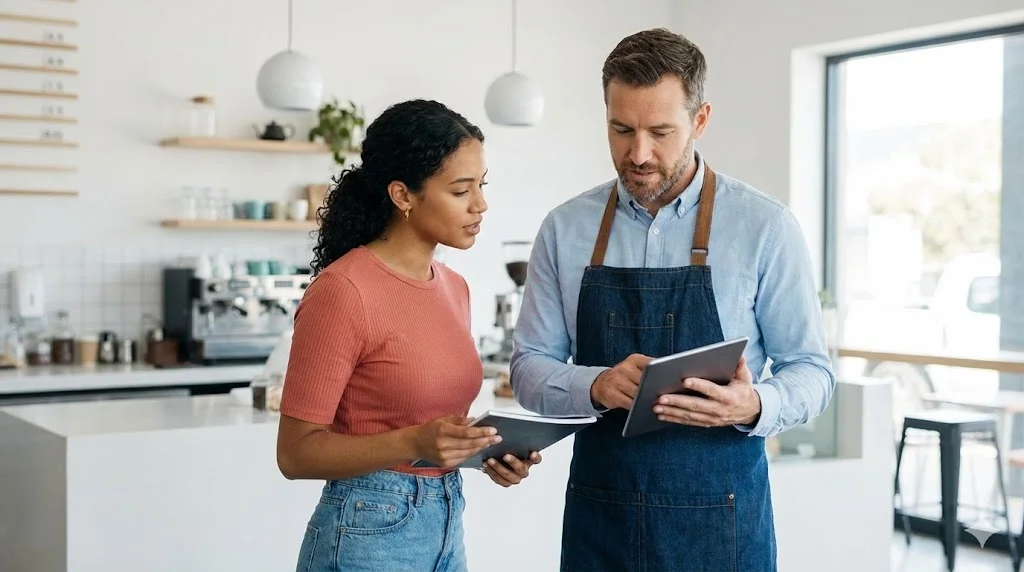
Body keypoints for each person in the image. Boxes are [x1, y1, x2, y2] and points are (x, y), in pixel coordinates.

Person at [510, 28, 836, 571]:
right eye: (621, 130)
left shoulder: (765, 227)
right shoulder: (565, 229)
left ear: (700, 120)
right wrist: (594, 384)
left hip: (722, 523)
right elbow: (527, 369)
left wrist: (755, 405)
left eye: (660, 132)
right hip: (601, 522)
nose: (638, 154)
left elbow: (813, 371)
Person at [276, 99, 541, 572]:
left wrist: (485, 453)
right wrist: (415, 443)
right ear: (403, 195)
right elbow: (295, 453)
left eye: (481, 186)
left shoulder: (454, 288)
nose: (481, 204)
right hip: (367, 532)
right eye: (461, 191)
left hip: (446, 523)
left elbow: (431, 427)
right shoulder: (343, 292)